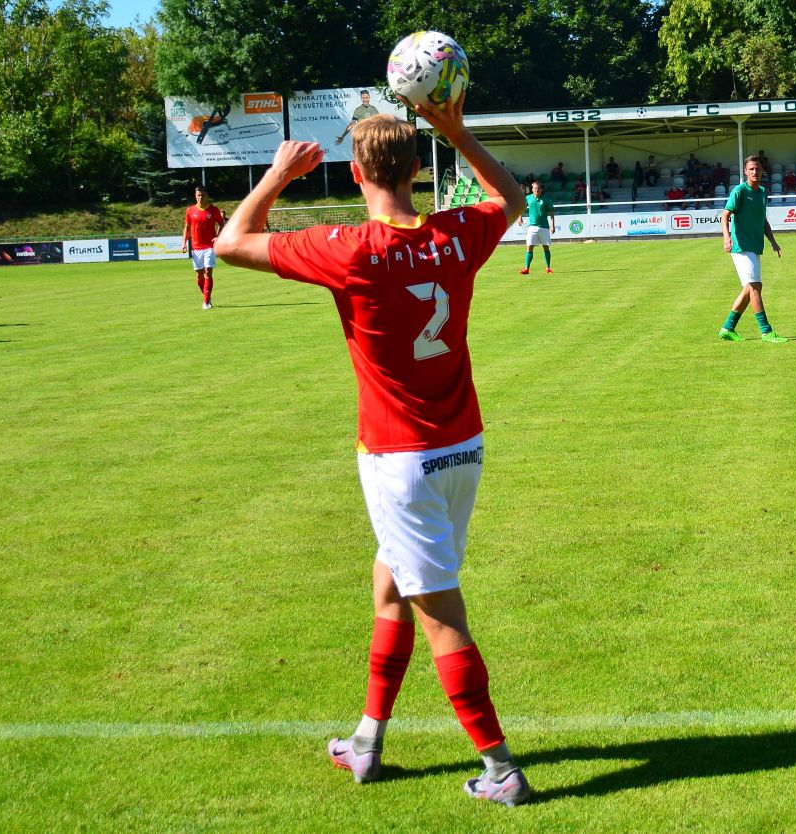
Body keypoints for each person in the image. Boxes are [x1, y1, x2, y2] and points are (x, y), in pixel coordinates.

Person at [213, 97, 532, 807]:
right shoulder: (455, 234)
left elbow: (231, 244)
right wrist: (458, 131)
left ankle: (500, 768)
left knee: (440, 614)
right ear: (417, 169)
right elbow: (509, 198)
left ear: (356, 174)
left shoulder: (349, 249)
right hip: (461, 445)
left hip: (399, 458)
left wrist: (277, 175)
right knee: (390, 584)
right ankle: (366, 740)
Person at [718, 156, 786, 344]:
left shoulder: (763, 192)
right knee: (755, 287)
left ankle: (727, 328)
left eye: (758, 169)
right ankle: (766, 332)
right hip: (741, 246)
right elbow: (725, 215)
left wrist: (773, 242)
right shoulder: (739, 191)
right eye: (751, 169)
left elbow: (762, 220)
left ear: (762, 171)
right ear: (745, 171)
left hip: (755, 246)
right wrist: (726, 237)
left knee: (750, 288)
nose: (755, 172)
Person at [181, 185, 225, 309]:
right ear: (195, 196)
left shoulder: (214, 210)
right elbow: (187, 227)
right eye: (198, 195)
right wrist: (184, 243)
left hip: (209, 246)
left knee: (207, 272)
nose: (200, 197)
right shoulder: (190, 210)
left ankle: (206, 302)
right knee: (199, 275)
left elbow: (222, 224)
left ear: (207, 196)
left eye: (203, 195)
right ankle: (207, 295)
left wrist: (218, 237)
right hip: (196, 248)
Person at [519, 180, 555, 275]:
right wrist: (519, 217)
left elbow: (551, 212)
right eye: (535, 188)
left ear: (541, 189)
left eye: (538, 188)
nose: (536, 190)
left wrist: (552, 225)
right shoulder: (528, 198)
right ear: (532, 189)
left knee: (545, 247)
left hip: (544, 227)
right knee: (529, 247)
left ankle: (548, 268)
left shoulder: (546, 200)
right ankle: (527, 268)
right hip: (532, 227)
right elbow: (521, 207)